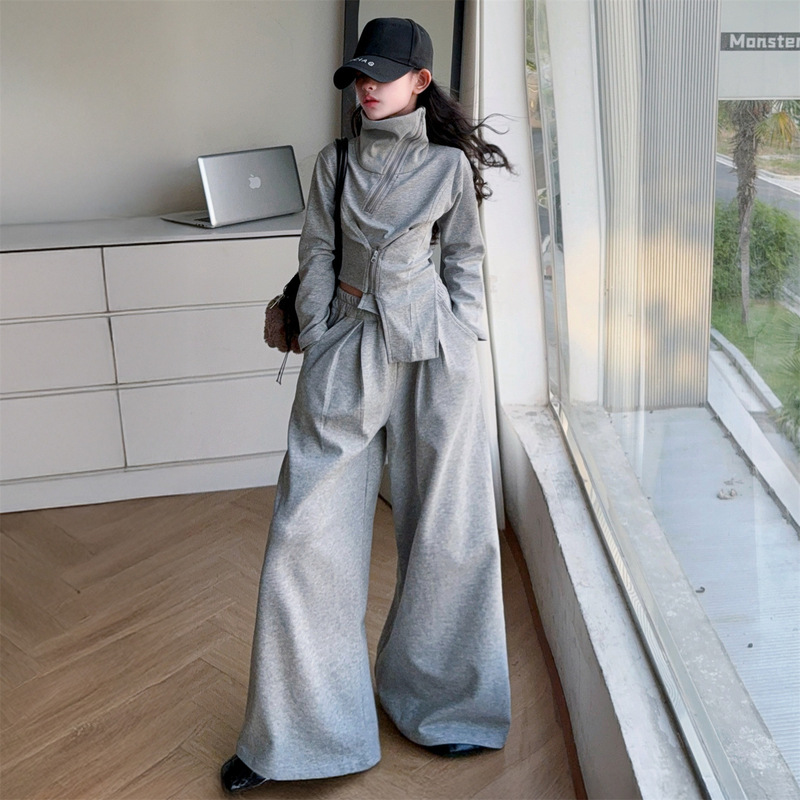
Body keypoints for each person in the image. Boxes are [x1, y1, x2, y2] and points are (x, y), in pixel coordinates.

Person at [221, 17, 513, 795]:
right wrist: (319, 335)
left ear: (421, 80)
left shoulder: (449, 167)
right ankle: (299, 735)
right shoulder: (336, 161)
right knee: (305, 533)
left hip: (436, 356)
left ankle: (447, 706)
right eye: (359, 74)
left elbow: (465, 257)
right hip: (349, 346)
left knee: (450, 530)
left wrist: (464, 337)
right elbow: (316, 250)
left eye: (383, 74)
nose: (367, 86)